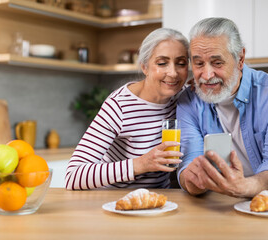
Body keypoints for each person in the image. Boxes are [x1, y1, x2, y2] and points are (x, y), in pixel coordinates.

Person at [177, 17, 268, 197]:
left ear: (240, 58)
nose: (206, 75)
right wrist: (193, 181)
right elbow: (189, 163)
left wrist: (245, 186)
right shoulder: (189, 101)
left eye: (217, 63)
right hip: (223, 201)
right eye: (199, 63)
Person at [66, 28, 189, 190]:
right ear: (144, 67)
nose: (173, 73)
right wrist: (140, 164)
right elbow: (73, 176)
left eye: (181, 63)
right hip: (115, 200)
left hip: (159, 201)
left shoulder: (183, 98)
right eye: (162, 63)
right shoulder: (119, 106)